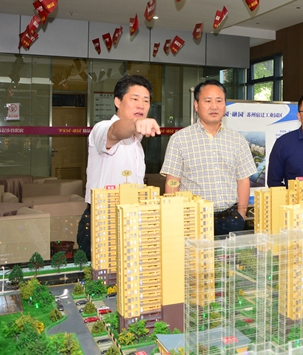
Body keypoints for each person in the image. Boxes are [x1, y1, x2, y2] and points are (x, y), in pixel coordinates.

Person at [78, 75, 161, 259]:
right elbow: (115, 131)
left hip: (131, 218)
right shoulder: (102, 128)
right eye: (135, 99)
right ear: (117, 101)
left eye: (146, 100)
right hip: (103, 220)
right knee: (100, 275)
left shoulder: (137, 142)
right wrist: (135, 123)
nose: (141, 105)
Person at [160, 79, 257, 236]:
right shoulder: (179, 139)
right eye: (207, 101)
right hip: (192, 217)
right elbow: (172, 181)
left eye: (219, 101)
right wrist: (174, 216)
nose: (214, 106)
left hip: (230, 217)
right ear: (196, 105)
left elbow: (243, 180)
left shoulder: (237, 140)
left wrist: (241, 214)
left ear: (225, 105)